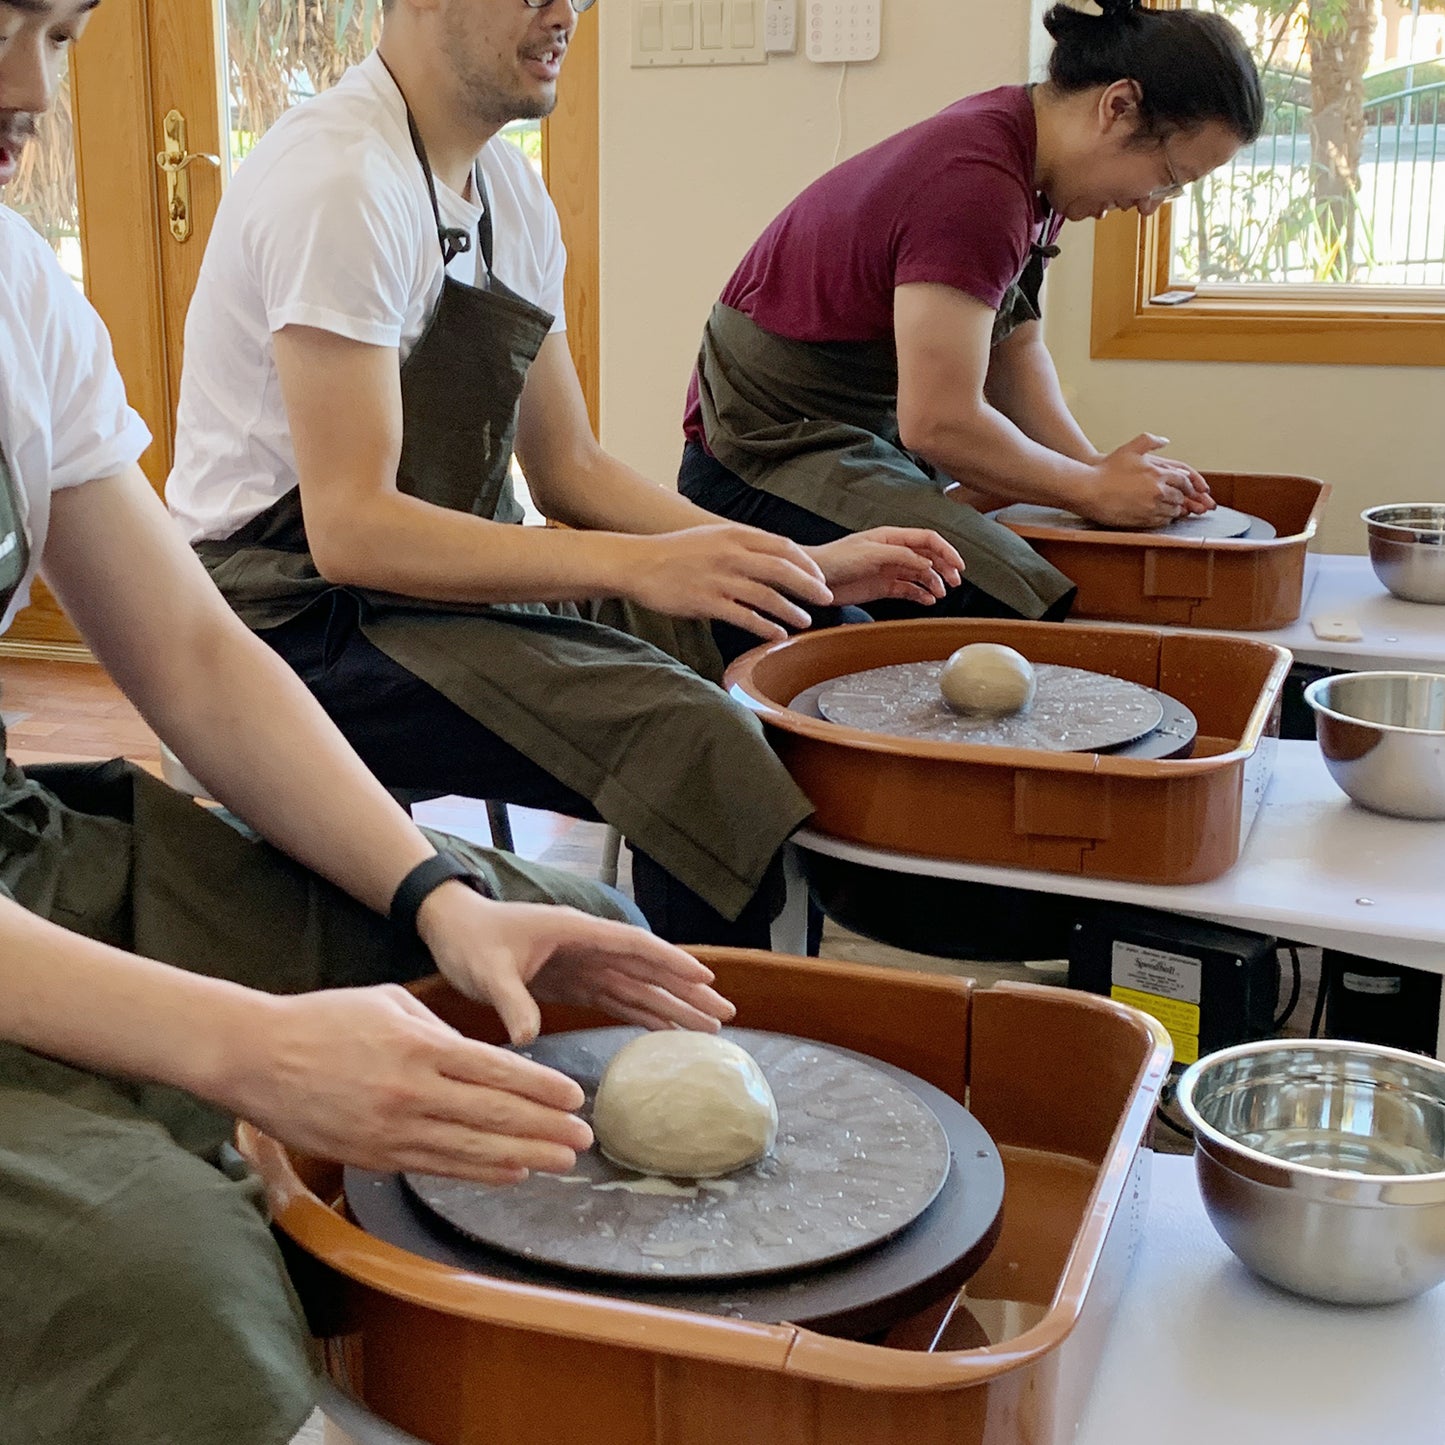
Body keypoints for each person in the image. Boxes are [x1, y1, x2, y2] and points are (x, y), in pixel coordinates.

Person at [0, 4, 739, 1441]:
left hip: (28, 857)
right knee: (161, 1282)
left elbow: (199, 662)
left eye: (62, 31)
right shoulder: (338, 177)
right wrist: (247, 1050)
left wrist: (440, 893)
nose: (30, 84)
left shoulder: (22, 291)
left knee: (556, 964)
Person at [165, 0, 965, 951]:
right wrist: (628, 567)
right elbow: (351, 529)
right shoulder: (339, 181)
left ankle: (832, 972)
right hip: (292, 614)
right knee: (689, 738)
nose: (567, 13)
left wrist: (797, 559)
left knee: (802, 619)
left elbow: (570, 470)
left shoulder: (506, 189)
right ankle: (703, 1068)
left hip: (433, 579)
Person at [678, 0, 1263, 622]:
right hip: (762, 459)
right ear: (1116, 107)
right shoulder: (976, 183)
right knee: (1011, 597)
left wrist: (1092, 471)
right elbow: (939, 424)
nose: (1152, 206)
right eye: (1168, 176)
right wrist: (1086, 487)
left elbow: (1015, 353)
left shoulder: (1029, 157)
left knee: (1040, 545)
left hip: (849, 437)